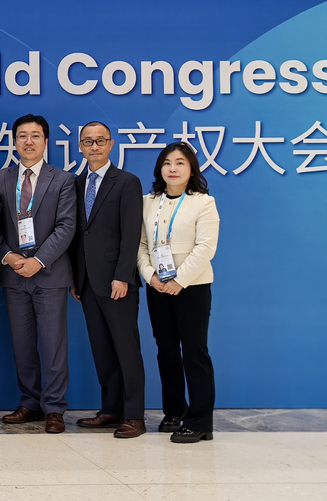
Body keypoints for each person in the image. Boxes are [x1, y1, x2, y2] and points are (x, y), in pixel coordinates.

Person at [0, 114, 76, 434]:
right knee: (22, 344)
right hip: (14, 274)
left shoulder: (63, 180)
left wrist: (39, 260)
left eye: (35, 136)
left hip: (50, 274)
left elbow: (66, 226)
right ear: (14, 142)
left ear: (46, 141)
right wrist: (8, 256)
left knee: (54, 344)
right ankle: (30, 402)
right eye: (22, 136)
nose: (28, 141)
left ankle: (54, 408)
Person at [68, 122, 146, 438]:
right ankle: (111, 409)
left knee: (126, 349)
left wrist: (123, 276)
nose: (94, 146)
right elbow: (77, 235)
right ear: (80, 146)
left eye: (100, 141)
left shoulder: (127, 182)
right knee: (102, 349)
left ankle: (135, 416)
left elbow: (131, 233)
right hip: (87, 282)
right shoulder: (76, 183)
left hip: (117, 282)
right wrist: (75, 277)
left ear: (111, 144)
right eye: (88, 141)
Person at [137, 142, 219, 444]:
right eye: (167, 163)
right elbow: (140, 245)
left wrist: (179, 280)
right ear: (160, 168)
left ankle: (200, 421)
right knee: (166, 350)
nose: (173, 168)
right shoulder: (148, 202)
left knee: (194, 351)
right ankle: (174, 411)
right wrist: (150, 275)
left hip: (192, 287)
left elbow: (205, 248)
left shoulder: (203, 202)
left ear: (191, 169)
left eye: (180, 163)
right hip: (158, 286)